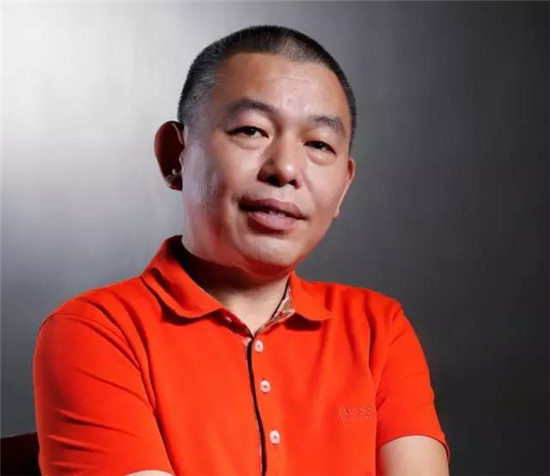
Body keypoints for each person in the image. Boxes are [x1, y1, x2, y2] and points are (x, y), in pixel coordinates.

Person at [33, 25, 450, 476]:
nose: (285, 168)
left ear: (344, 186)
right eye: (252, 130)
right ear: (175, 155)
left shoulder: (377, 331)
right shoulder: (96, 332)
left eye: (318, 144)